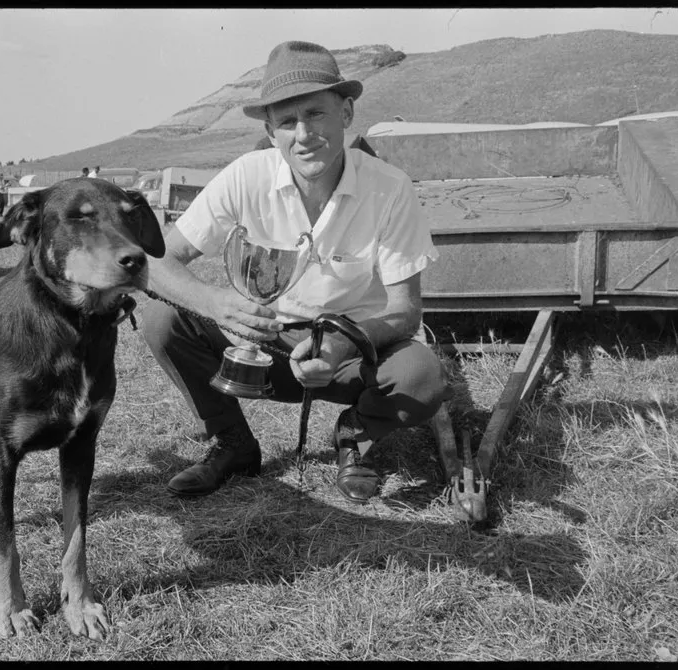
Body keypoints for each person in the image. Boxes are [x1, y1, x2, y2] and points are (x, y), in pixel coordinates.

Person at [139, 40, 449, 503]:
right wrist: (216, 304)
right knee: (162, 320)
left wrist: (344, 341)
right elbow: (155, 257)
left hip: (352, 353)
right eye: (287, 122)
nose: (303, 134)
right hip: (268, 348)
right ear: (270, 131)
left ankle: (354, 436)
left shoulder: (389, 188)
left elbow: (405, 312)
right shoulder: (246, 176)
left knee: (422, 378)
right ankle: (233, 444)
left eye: (316, 114)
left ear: (346, 112)